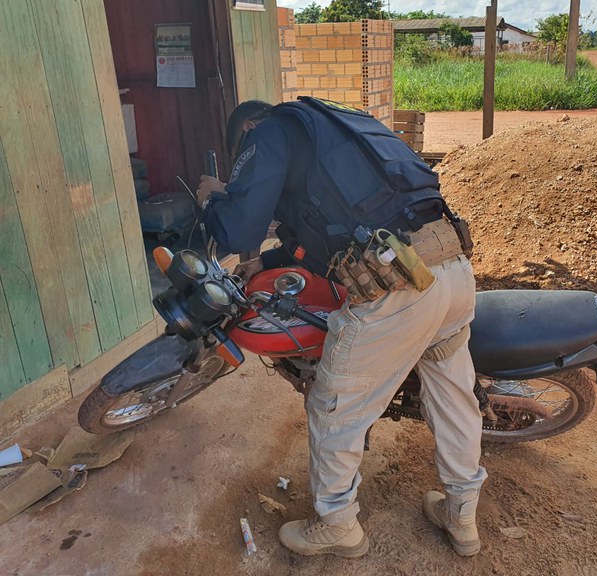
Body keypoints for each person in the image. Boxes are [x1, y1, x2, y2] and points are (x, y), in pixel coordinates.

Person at [197, 98, 487, 558]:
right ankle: (462, 514)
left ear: (249, 128)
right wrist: (266, 265)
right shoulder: (340, 128)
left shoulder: (268, 131)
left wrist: (214, 197)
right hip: (451, 267)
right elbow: (319, 243)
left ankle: (337, 526)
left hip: (399, 287)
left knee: (334, 408)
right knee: (453, 396)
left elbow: (236, 228)